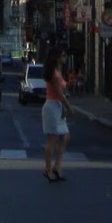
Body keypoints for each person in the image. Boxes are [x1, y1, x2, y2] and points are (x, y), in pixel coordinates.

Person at [42, 52, 72, 182]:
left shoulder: (58, 72)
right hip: (52, 106)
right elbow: (59, 93)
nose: (65, 58)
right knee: (53, 139)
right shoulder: (54, 74)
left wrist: (70, 83)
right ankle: (48, 169)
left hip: (57, 107)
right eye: (63, 55)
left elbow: (62, 88)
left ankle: (57, 166)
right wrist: (69, 107)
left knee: (65, 136)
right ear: (57, 57)